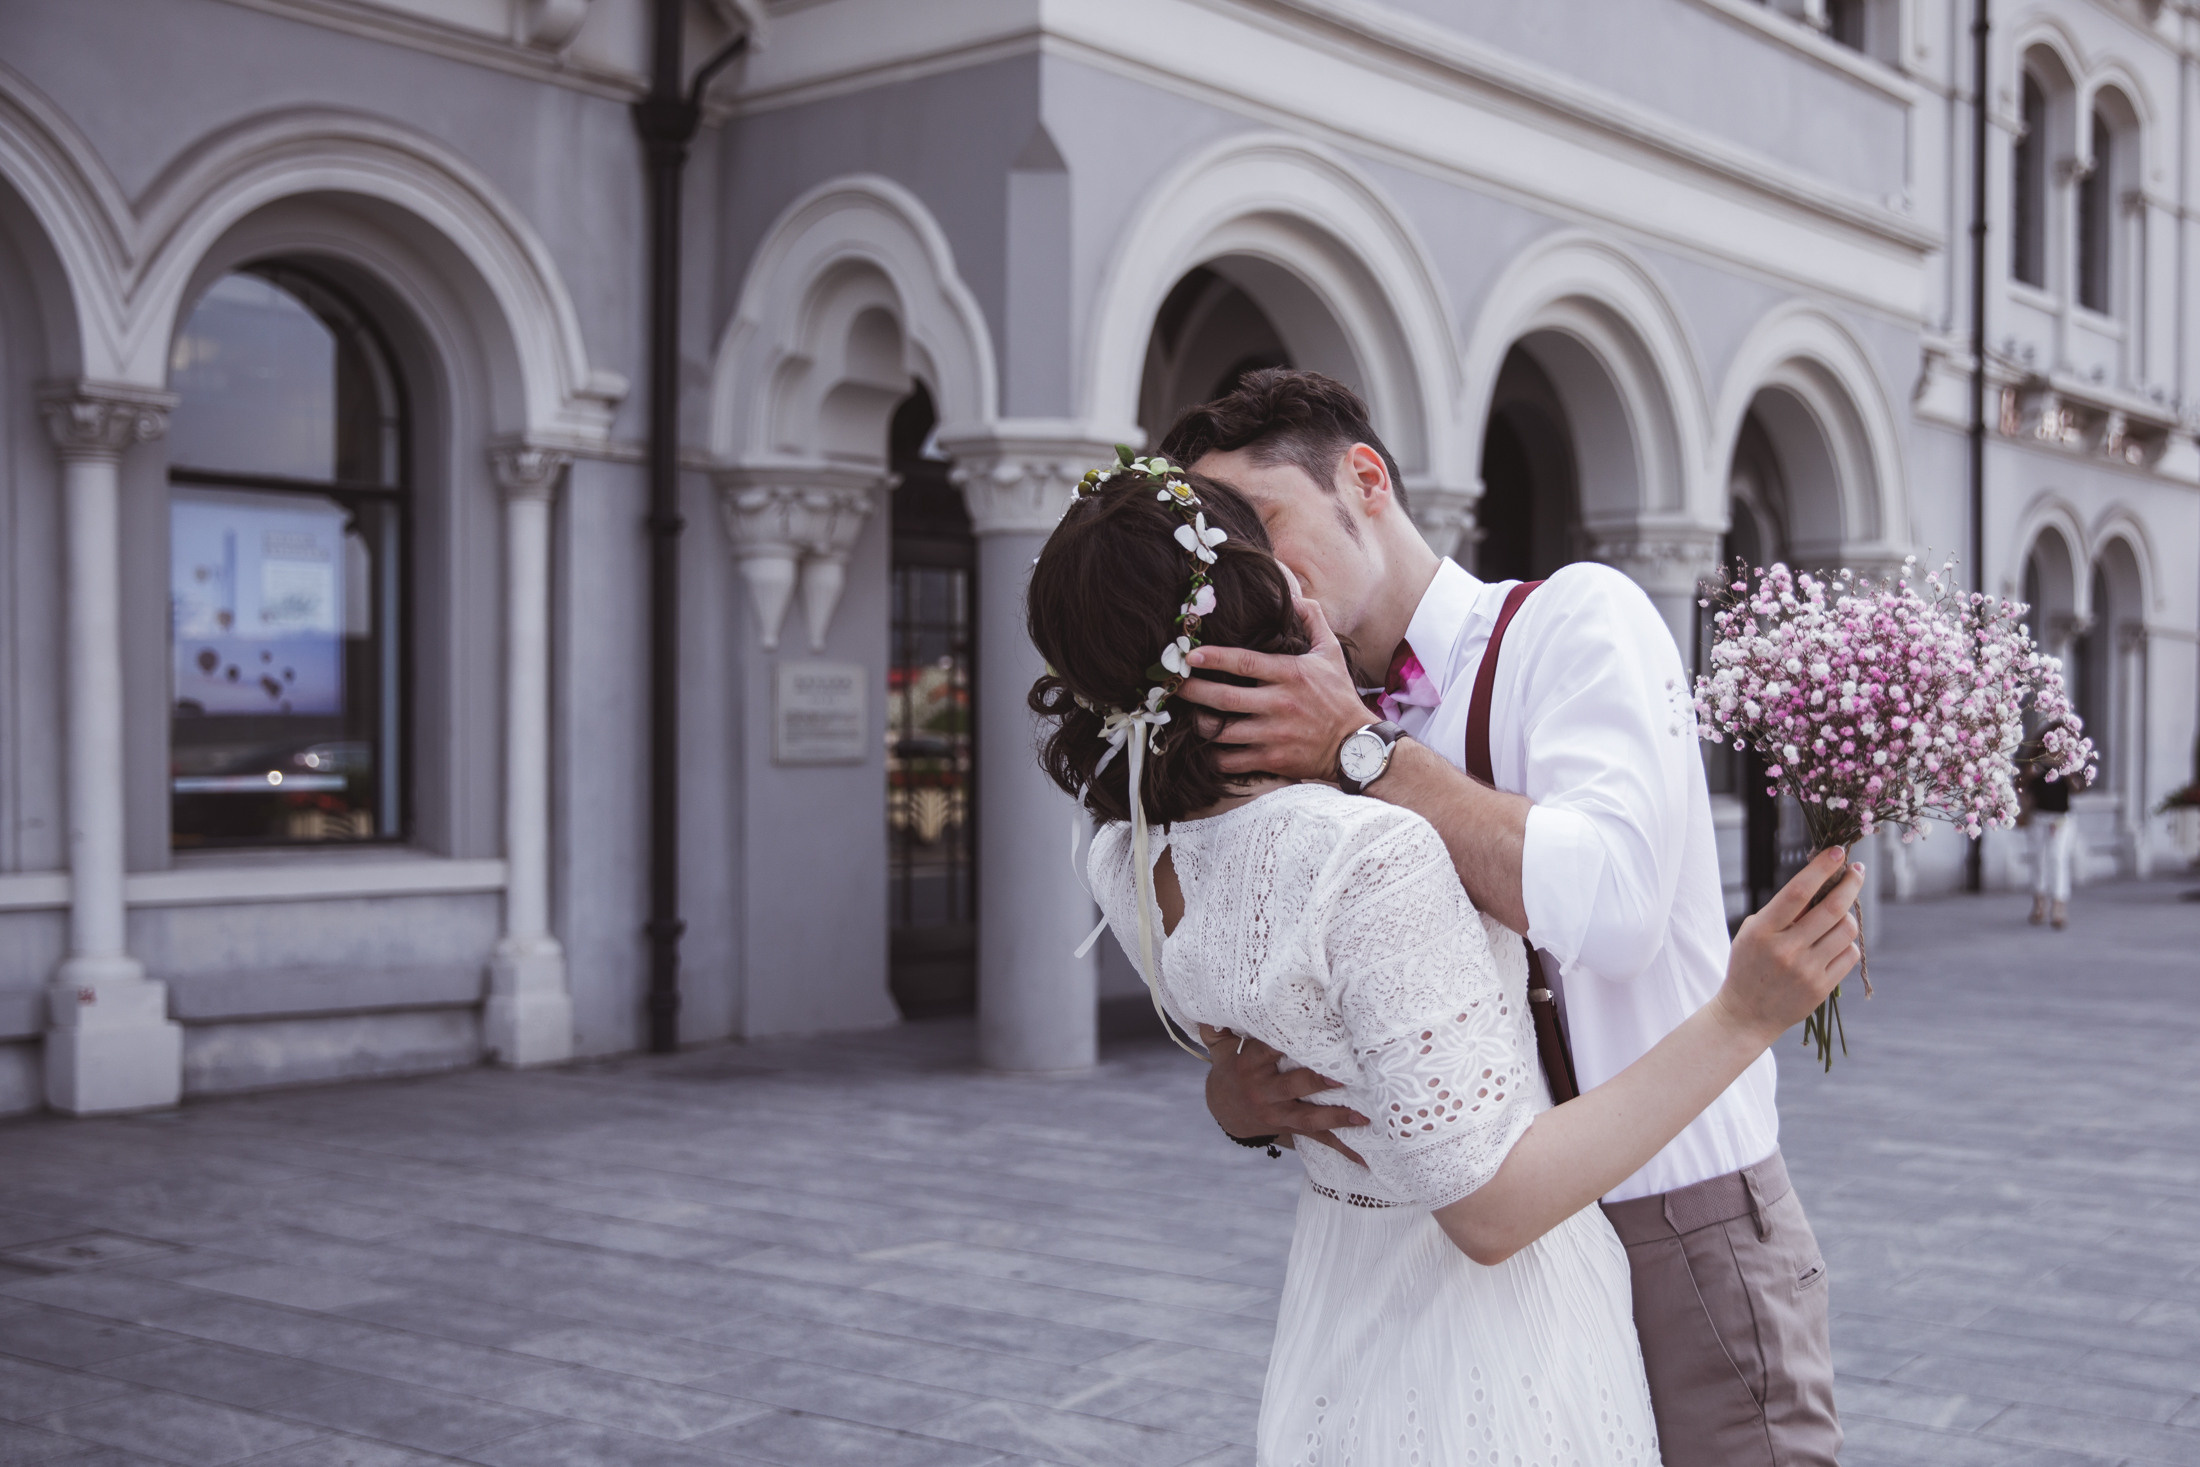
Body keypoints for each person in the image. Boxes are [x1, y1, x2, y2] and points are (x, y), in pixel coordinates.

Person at [1026, 455, 1862, 1467]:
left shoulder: (1125, 845)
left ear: (1363, 481)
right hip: (1495, 1299)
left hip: (1560, 1243)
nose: (1277, 559)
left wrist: (1362, 749)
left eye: (1267, 518)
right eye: (1245, 538)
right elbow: (1475, 1193)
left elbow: (1612, 912)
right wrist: (1744, 1014)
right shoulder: (1347, 829)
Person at [2021, 737, 2075, 928]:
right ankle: (2039, 903)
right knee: (2038, 858)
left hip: (2059, 819)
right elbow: (2024, 786)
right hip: (2039, 816)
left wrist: (2067, 770)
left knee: (2057, 859)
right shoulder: (2037, 763)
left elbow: (2078, 788)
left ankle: (2058, 906)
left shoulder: (2069, 762)